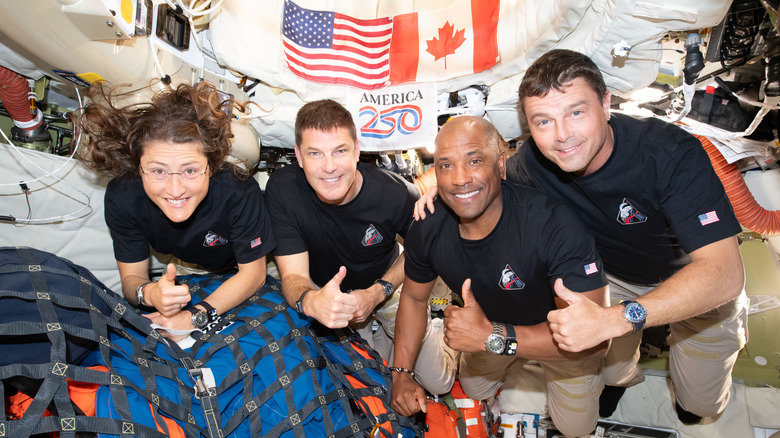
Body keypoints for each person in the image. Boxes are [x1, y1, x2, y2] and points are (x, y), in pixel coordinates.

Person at [416, 49, 748, 424]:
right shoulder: (532, 164)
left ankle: (685, 391)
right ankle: (621, 376)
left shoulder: (668, 153)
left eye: (576, 112)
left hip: (693, 278)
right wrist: (441, 188)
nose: (562, 136)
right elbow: (480, 173)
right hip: (612, 279)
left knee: (701, 406)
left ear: (606, 104)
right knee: (607, 367)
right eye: (543, 121)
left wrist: (619, 319)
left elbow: (724, 273)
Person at [392, 115, 609, 437]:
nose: (459, 179)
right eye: (445, 166)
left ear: (501, 164)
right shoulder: (428, 226)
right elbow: (412, 296)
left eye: (474, 160)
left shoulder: (554, 224)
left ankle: (601, 374)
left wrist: (493, 336)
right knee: (476, 389)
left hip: (561, 341)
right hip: (488, 333)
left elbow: (596, 340)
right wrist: (400, 373)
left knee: (576, 429)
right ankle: (506, 359)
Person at [77, 81, 277, 340]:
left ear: (211, 166)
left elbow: (253, 274)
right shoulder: (123, 196)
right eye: (158, 171)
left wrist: (194, 317)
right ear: (139, 168)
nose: (175, 189)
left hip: (255, 264)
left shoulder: (237, 190)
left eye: (190, 170)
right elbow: (133, 278)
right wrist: (149, 293)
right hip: (191, 266)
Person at [265, 99, 439, 365]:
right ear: (298, 156)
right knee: (358, 378)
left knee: (436, 381)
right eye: (315, 153)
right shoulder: (282, 190)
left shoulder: (397, 193)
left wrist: (378, 292)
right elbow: (294, 275)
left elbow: (421, 250)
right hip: (324, 289)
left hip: (387, 282)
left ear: (357, 150)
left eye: (340, 151)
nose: (329, 166)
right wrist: (312, 302)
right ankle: (375, 340)